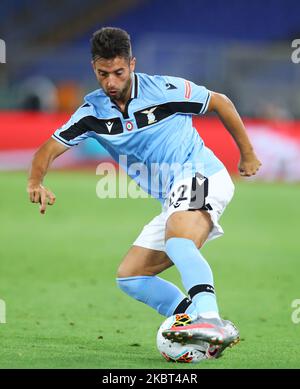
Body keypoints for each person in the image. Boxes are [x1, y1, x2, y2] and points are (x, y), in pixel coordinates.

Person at [27, 27, 261, 358]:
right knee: (131, 277)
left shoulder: (164, 89)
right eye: (103, 73)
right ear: (94, 68)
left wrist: (247, 154)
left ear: (132, 64)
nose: (111, 82)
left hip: (201, 175)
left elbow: (220, 102)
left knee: (178, 238)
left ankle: (209, 318)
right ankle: (193, 318)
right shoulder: (92, 113)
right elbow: (48, 149)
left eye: (118, 72)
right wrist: (35, 181)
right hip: (173, 197)